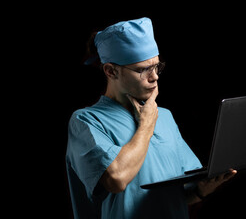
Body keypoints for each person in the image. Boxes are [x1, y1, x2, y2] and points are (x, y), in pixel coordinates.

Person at [66, 17, 236, 219]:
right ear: (111, 71)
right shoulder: (87, 121)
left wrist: (202, 189)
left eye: (156, 67)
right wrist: (146, 124)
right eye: (142, 70)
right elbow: (117, 179)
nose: (154, 76)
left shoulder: (164, 117)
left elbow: (178, 194)